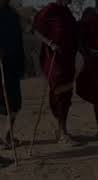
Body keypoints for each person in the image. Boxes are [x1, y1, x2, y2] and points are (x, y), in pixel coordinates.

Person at [34, 0, 78, 144]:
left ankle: (62, 130)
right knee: (59, 93)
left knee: (66, 94)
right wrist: (50, 43)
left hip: (69, 58)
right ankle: (62, 133)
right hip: (54, 59)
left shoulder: (68, 12)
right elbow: (36, 30)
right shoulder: (49, 10)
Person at [75, 0, 98, 138]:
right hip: (91, 60)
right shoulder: (87, 14)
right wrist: (88, 52)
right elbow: (80, 36)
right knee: (97, 93)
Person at [0, 0, 25, 151]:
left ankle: (8, 135)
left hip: (13, 65)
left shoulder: (13, 14)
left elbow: (18, 38)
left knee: (15, 103)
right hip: (1, 65)